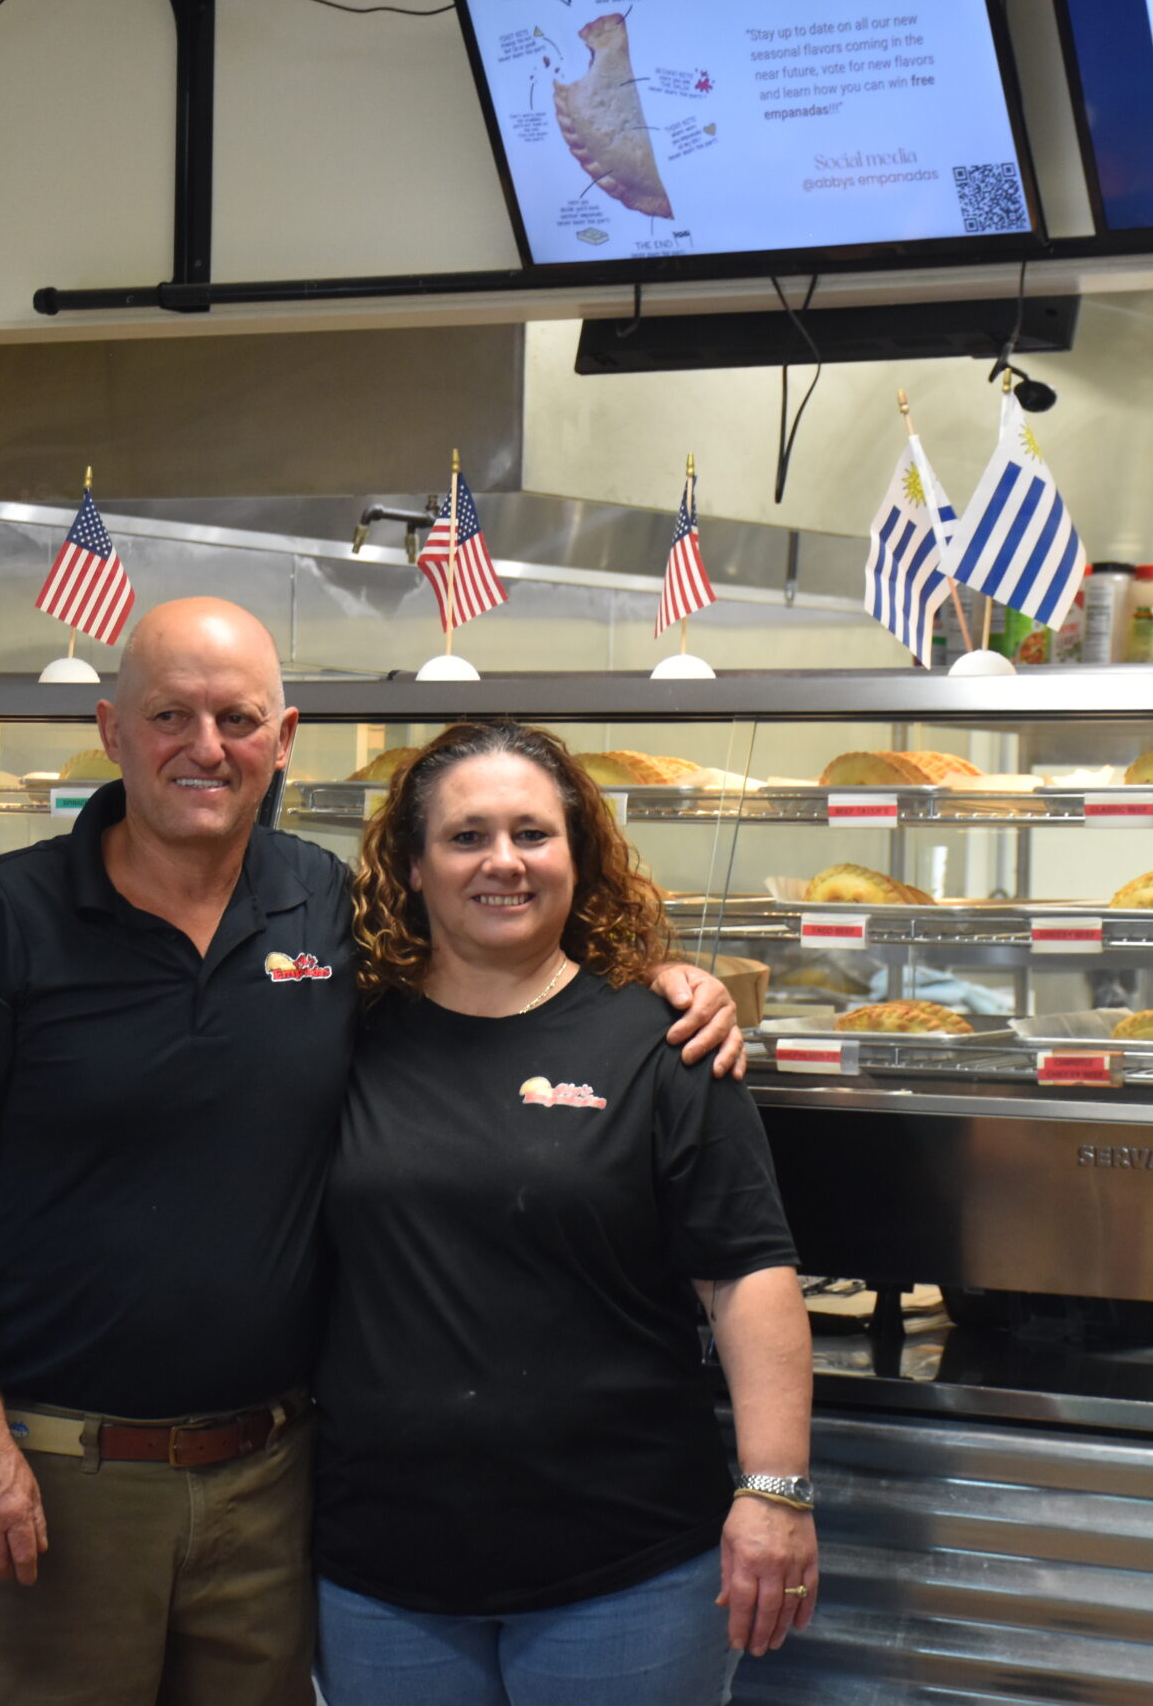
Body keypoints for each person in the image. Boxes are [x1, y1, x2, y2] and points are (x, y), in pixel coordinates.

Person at [0, 599, 744, 1706]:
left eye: (237, 719)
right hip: (59, 1474)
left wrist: (674, 982)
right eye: (169, 716)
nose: (206, 748)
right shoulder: (3, 920)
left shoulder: (326, 907)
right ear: (111, 729)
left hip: (274, 1481)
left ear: (282, 740)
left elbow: (502, 948)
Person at [311, 719, 818, 1706]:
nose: (504, 862)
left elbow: (746, 1272)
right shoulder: (339, 1036)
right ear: (411, 867)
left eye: (533, 834)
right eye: (466, 837)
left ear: (577, 857)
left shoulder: (663, 1044)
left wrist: (775, 1491)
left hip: (625, 1571)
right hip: (381, 1567)